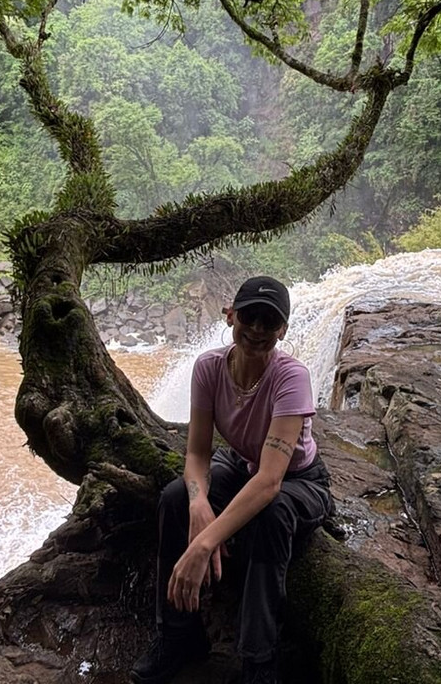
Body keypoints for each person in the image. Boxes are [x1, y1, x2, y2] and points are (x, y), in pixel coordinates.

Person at [131, 276, 333, 684]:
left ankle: (259, 661)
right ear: (231, 315)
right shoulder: (208, 367)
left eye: (269, 321)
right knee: (174, 497)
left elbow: (271, 480)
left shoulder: (291, 377)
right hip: (240, 466)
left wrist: (205, 542)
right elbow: (198, 454)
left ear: (283, 330)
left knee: (271, 514)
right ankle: (179, 635)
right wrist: (198, 502)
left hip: (300, 482)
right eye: (249, 316)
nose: (257, 329)